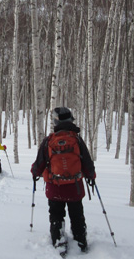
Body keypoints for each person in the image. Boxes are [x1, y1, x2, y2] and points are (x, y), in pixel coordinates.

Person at [31, 107, 96, 253]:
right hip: (75, 187)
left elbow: (39, 163)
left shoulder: (49, 141)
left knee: (56, 215)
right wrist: (91, 176)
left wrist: (35, 172)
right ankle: (81, 241)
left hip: (55, 187)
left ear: (55, 122)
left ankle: (58, 241)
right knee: (77, 214)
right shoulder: (77, 140)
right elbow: (87, 163)